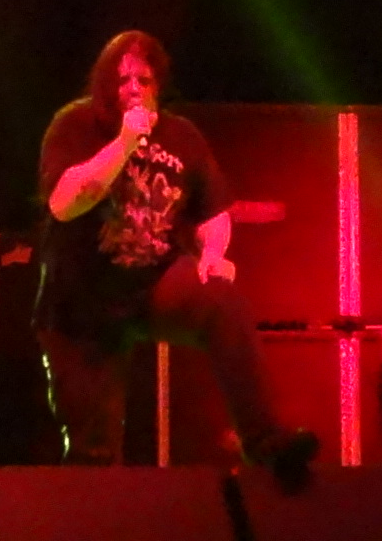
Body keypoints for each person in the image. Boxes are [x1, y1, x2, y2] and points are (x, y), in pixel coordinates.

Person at [34, 31, 317, 478]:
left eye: (143, 80)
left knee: (221, 302)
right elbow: (64, 203)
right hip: (81, 302)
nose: (133, 88)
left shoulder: (182, 136)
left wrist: (213, 253)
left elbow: (213, 212)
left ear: (158, 85)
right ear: (104, 83)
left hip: (152, 283)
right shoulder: (75, 124)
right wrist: (125, 142)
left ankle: (266, 442)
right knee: (93, 453)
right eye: (122, 79)